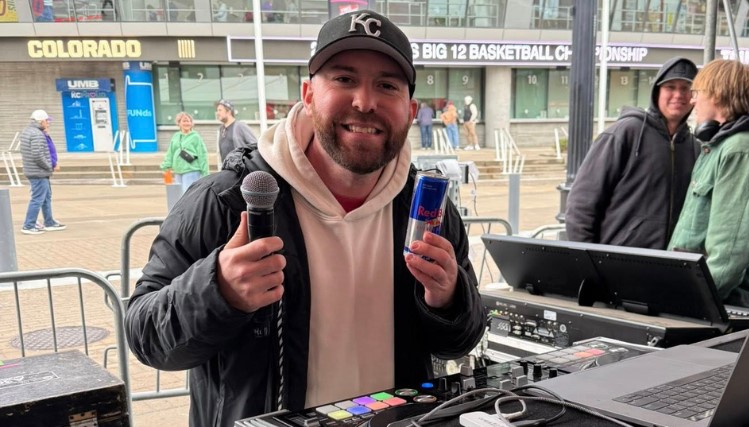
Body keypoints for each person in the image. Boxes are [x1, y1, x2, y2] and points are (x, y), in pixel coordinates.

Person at [125, 10, 486, 427]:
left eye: (386, 85)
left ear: (410, 108)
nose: (365, 102)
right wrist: (217, 291)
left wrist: (449, 300)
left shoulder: (429, 211)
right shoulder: (223, 200)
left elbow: (460, 340)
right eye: (344, 79)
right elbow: (144, 335)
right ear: (309, 95)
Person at [668, 59, 749, 308]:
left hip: (714, 303)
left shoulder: (740, 149)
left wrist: (688, 301)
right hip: (698, 294)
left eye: (697, 93)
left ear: (718, 94)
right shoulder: (719, 147)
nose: (692, 101)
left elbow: (731, 251)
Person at [564, 57, 699, 249]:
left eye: (685, 88)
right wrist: (589, 264)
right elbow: (581, 205)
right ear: (657, 92)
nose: (678, 94)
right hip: (618, 265)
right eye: (670, 87)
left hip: (668, 268)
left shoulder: (694, 147)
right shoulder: (625, 133)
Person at [20, 110, 66, 235]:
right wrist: (50, 166)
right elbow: (38, 155)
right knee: (38, 199)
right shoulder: (37, 135)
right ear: (41, 121)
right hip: (38, 172)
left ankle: (49, 222)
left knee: (45, 197)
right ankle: (29, 225)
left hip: (34, 170)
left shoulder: (28, 131)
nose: (49, 123)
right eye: (47, 120)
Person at [160, 112, 209, 194]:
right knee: (179, 195)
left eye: (189, 121)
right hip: (178, 171)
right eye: (184, 121)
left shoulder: (195, 137)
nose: (187, 123)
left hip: (191, 170)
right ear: (179, 123)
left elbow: (202, 155)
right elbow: (170, 153)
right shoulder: (176, 136)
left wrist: (205, 173)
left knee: (188, 195)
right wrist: (165, 166)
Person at [216, 99, 257, 165]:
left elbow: (254, 145)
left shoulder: (240, 126)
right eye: (217, 110)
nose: (217, 113)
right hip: (226, 169)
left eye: (220, 110)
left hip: (240, 169)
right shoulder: (221, 129)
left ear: (229, 111)